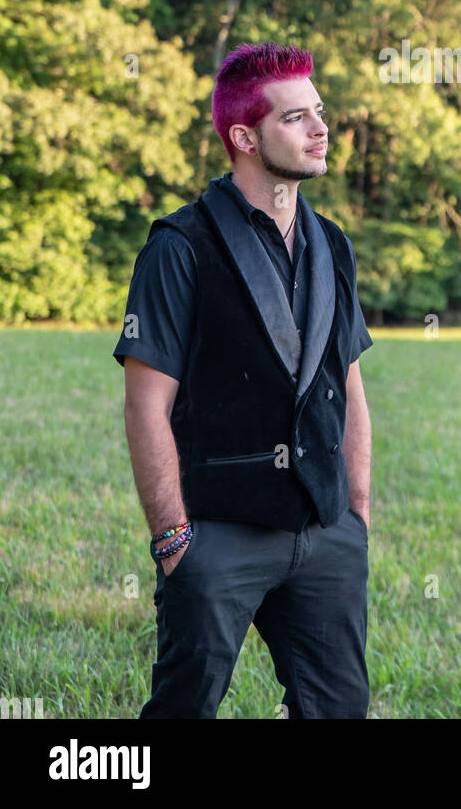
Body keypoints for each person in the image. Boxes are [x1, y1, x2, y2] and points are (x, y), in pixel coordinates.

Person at [114, 41, 373, 719]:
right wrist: (173, 539)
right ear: (243, 137)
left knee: (338, 709)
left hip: (324, 530)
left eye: (318, 111)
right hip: (216, 531)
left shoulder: (333, 245)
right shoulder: (178, 247)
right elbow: (146, 403)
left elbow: (347, 383)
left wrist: (357, 516)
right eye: (295, 118)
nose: (320, 128)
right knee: (183, 710)